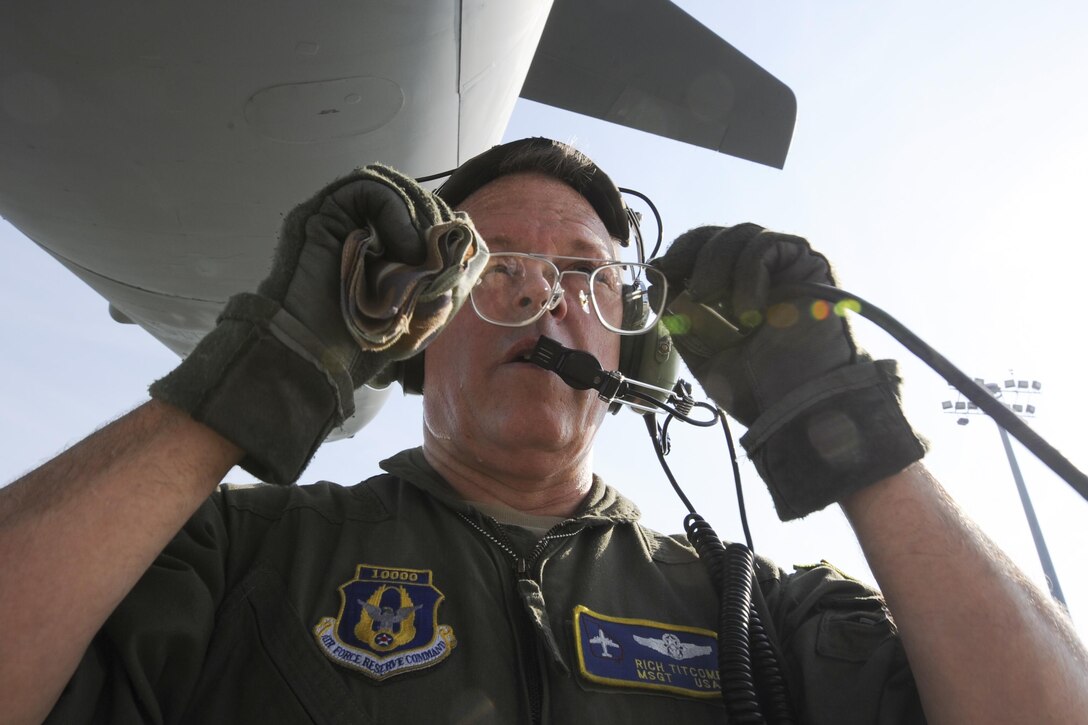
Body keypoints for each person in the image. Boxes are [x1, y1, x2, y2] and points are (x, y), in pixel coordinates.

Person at [1, 138, 1085, 725]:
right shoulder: (237, 554)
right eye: (492, 267)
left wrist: (849, 435)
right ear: (410, 327)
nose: (543, 297)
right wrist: (255, 383)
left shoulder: (763, 611)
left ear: (632, 351)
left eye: (580, 272)